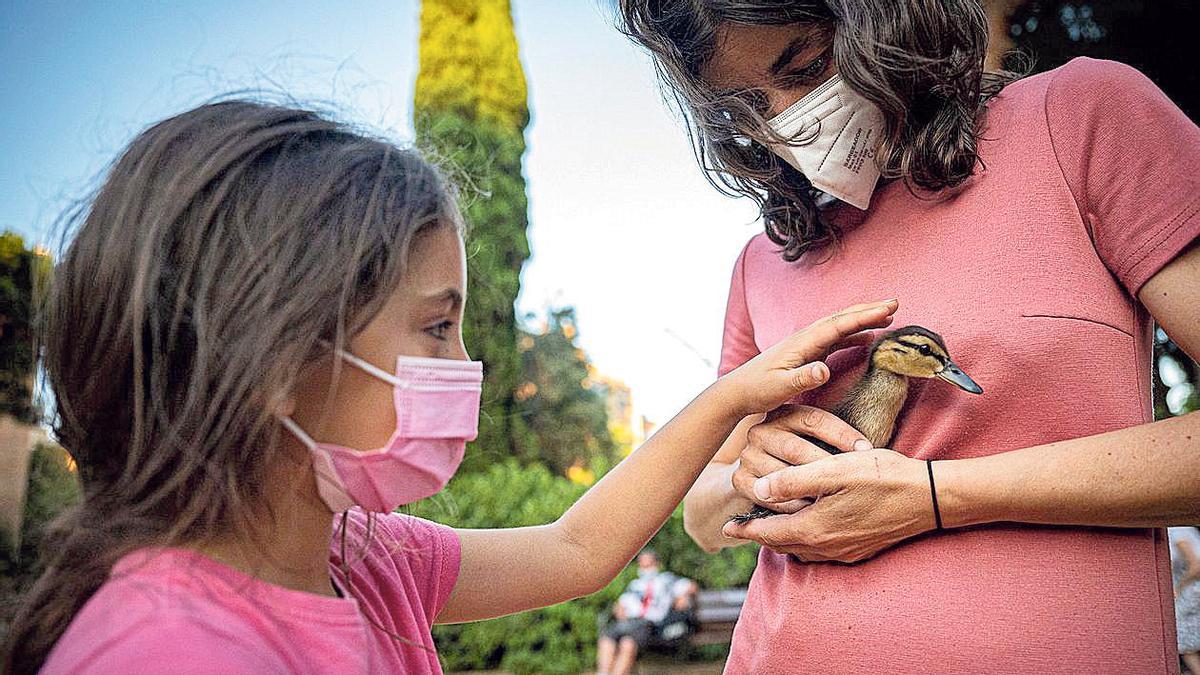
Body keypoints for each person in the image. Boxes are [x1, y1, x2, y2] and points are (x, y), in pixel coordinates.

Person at [0, 100, 899, 674]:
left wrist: (730, 397)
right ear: (273, 363)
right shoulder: (166, 652)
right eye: (436, 325)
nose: (467, 364)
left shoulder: (364, 559)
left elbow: (576, 548)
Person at [618, 1, 1200, 672]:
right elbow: (701, 507)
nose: (783, 118)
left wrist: (933, 497)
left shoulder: (1084, 116)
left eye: (806, 65)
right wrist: (752, 477)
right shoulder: (763, 260)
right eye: (747, 104)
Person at [596, 549, 697, 675]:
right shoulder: (635, 585)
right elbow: (621, 603)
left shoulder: (666, 580)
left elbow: (692, 586)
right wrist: (619, 608)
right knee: (607, 638)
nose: (645, 569)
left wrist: (683, 596)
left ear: (657, 564)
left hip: (651, 625)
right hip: (630, 622)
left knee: (627, 644)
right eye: (642, 565)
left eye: (648, 565)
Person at [1171, 527, 1200, 674]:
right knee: (1188, 642)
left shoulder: (1177, 531)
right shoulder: (1188, 528)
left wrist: (1179, 586)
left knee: (1178, 636)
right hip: (1193, 591)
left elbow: (1197, 566)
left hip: (1190, 591)